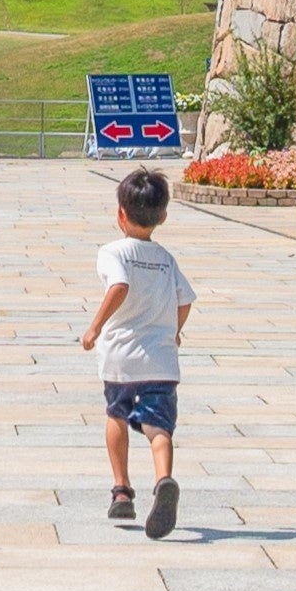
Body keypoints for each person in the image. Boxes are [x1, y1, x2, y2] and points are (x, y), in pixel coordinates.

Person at [80, 166, 195, 539]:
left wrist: (95, 326)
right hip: (161, 361)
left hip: (122, 359)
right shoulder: (165, 258)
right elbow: (185, 300)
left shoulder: (113, 251)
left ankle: (122, 489)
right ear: (162, 216)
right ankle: (163, 480)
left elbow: (119, 286)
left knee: (117, 416)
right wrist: (174, 332)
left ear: (120, 214)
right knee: (159, 428)